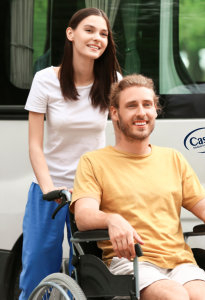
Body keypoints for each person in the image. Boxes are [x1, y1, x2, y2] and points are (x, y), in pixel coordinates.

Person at [71, 74, 205, 300]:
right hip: (132, 262)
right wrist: (112, 219)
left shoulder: (173, 159)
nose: (141, 112)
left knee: (204, 297)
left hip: (180, 261)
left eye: (147, 105)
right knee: (175, 296)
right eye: (131, 106)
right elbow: (83, 215)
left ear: (155, 110)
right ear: (115, 113)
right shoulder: (94, 161)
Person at [19, 8, 121, 299]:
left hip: (92, 192)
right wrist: (50, 188)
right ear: (70, 33)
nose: (97, 38)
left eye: (103, 34)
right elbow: (35, 144)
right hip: (49, 191)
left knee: (97, 276)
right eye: (89, 30)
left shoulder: (113, 78)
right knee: (37, 271)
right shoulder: (45, 80)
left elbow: (120, 138)